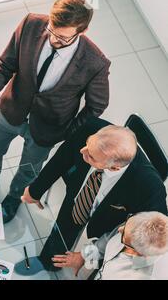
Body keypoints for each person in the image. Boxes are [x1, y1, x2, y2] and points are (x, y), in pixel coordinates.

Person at [0, 0, 111, 223]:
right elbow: (4, 66)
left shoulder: (95, 62)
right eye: (51, 31)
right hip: (12, 108)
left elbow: (97, 106)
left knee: (29, 169)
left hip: (49, 127)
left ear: (83, 30)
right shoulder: (30, 24)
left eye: (62, 37)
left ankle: (14, 197)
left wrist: (68, 132)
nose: (53, 39)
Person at [17, 117, 168, 273]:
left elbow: (145, 238)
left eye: (91, 157)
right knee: (64, 226)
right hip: (79, 196)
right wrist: (35, 190)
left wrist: (87, 255)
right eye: (87, 145)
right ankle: (48, 262)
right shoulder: (92, 128)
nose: (83, 151)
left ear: (115, 168)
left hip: (110, 221)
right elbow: (62, 157)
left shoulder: (150, 188)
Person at [52, 211, 168, 280]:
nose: (120, 229)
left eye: (123, 236)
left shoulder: (146, 275)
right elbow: (107, 240)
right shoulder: (136, 226)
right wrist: (84, 256)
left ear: (137, 252)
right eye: (127, 222)